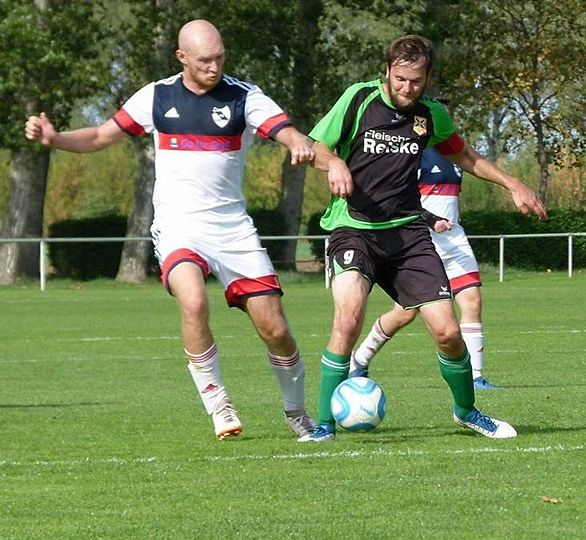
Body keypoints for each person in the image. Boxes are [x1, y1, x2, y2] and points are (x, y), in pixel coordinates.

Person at [24, 19, 318, 441]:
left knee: (274, 328)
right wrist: (55, 138)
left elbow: (283, 129)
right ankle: (218, 404)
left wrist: (295, 142)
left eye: (219, 58)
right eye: (204, 61)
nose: (214, 67)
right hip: (178, 225)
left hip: (233, 229)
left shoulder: (243, 96)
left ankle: (296, 413)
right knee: (194, 301)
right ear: (181, 57)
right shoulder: (157, 96)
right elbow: (100, 136)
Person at [299, 34, 546, 443]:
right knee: (348, 316)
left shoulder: (431, 115)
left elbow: (465, 156)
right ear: (388, 72)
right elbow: (315, 146)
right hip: (353, 229)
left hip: (408, 235)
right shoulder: (358, 99)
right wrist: (336, 162)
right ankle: (324, 424)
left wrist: (513, 184)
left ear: (427, 78)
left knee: (448, 331)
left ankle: (467, 411)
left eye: (415, 81)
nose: (406, 88)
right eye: (399, 79)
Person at [349, 146, 500, 390]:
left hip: (454, 241)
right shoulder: (413, 152)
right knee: (405, 313)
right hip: (420, 242)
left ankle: (475, 376)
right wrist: (431, 220)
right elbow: (397, 199)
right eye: (438, 106)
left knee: (472, 301)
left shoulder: (455, 154)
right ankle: (360, 359)